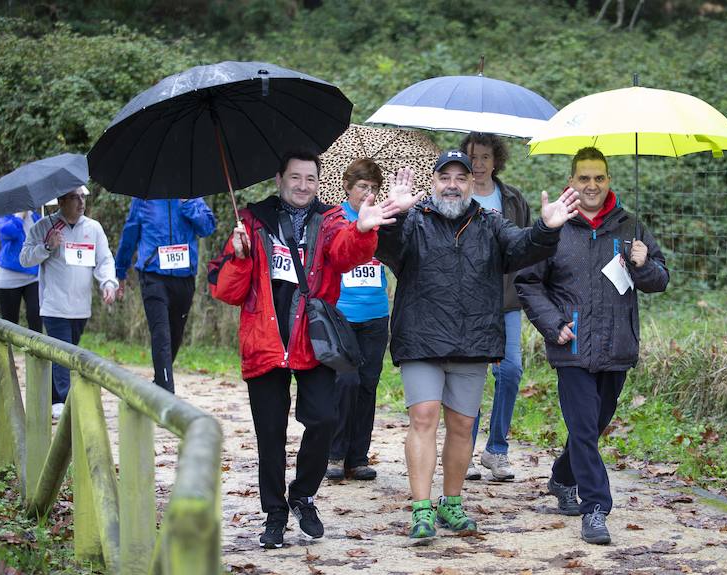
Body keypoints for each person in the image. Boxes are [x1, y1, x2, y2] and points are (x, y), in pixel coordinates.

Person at [375, 151, 579, 539]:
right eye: (445, 177)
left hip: (472, 338)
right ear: (433, 182)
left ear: (472, 184)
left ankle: (451, 503)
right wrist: (396, 215)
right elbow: (385, 249)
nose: (452, 184)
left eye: (461, 178)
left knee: (463, 424)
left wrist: (547, 227)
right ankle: (421, 510)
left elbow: (522, 249)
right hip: (422, 336)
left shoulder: (490, 223)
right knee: (423, 417)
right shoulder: (413, 221)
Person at [207, 150, 397, 549]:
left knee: (325, 418)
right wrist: (240, 258)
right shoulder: (252, 220)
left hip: (313, 340)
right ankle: (275, 513)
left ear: (319, 182)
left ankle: (303, 495)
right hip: (265, 341)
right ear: (279, 178)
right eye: (296, 177)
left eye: (310, 179)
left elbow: (346, 253)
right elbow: (226, 291)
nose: (303, 186)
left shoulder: (329, 220)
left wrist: (363, 229)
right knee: (270, 433)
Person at [515, 147, 669, 545]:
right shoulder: (555, 228)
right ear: (571, 182)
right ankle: (596, 508)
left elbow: (660, 280)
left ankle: (563, 477)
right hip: (572, 345)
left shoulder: (631, 227)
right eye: (584, 178)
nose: (591, 185)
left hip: (617, 343)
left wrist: (644, 263)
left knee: (594, 426)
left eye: (599, 178)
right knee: (583, 428)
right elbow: (528, 283)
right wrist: (552, 325)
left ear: (609, 181)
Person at [459, 132, 532, 482]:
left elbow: (527, 244)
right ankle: (464, 453)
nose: (478, 164)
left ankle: (496, 450)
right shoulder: (456, 196)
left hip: (506, 299)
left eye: (485, 156)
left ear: (496, 160)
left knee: (510, 370)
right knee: (470, 376)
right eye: (472, 156)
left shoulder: (513, 199)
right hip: (468, 301)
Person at [20, 185, 118, 419]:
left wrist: (108, 283)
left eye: (83, 197)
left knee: (66, 353)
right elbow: (24, 258)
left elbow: (104, 260)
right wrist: (47, 246)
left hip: (80, 306)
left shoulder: (93, 228)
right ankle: (63, 403)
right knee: (63, 352)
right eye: (75, 197)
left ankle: (55, 398)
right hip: (54, 305)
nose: (81, 202)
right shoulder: (44, 226)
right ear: (62, 201)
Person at [325, 159, 389, 482]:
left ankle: (358, 457)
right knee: (345, 381)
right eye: (362, 186)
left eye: (374, 187)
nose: (368, 192)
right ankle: (334, 453)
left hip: (377, 313)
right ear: (348, 187)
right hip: (342, 312)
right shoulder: (334, 218)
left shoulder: (382, 219)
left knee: (368, 384)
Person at [114, 197, 216, 392]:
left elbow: (207, 227)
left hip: (184, 276)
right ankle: (167, 393)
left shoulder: (191, 194)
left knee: (175, 334)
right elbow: (130, 233)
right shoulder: (144, 198)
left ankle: (160, 382)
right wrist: (120, 271)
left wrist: (188, 204)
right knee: (161, 333)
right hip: (153, 275)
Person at [0, 209, 42, 333]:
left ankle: (34, 352)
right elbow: (11, 233)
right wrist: (19, 217)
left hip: (32, 275)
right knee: (10, 323)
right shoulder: (4, 217)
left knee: (36, 315)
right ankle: (8, 352)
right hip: (8, 277)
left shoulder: (35, 217)